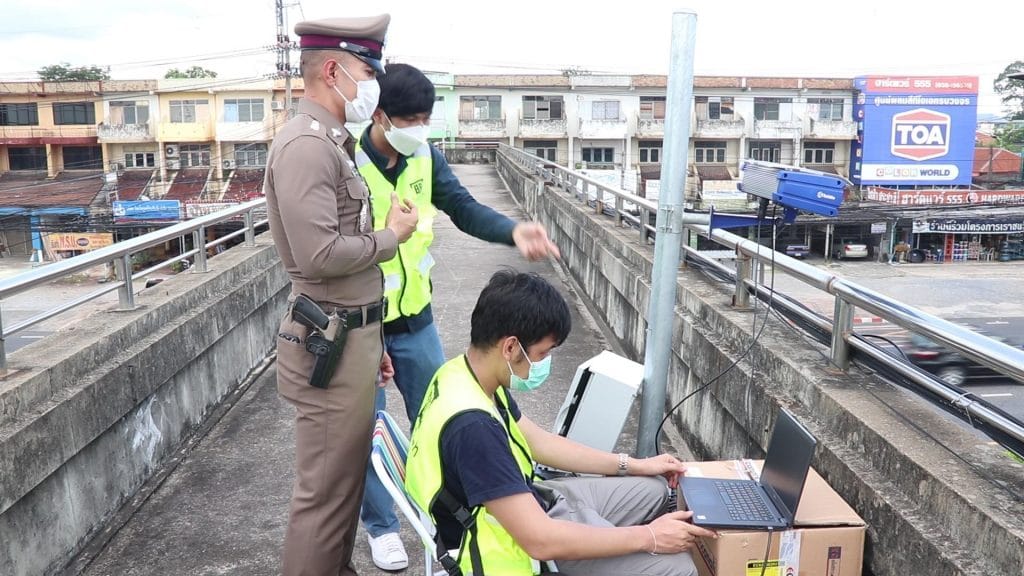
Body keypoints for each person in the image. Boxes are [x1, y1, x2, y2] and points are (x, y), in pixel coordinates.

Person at [353, 63, 560, 569]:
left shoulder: (425, 156)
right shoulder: (347, 163)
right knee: (367, 428)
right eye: (412, 119)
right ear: (380, 115)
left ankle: (466, 509)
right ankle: (382, 527)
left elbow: (464, 207)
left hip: (416, 318)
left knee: (453, 415)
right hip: (363, 324)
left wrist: (512, 232)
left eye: (427, 117)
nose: (421, 128)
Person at [405, 270, 715, 576]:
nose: (542, 364)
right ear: (510, 347)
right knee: (681, 567)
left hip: (535, 500)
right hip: (511, 542)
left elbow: (539, 443)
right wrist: (650, 537)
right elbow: (540, 540)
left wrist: (635, 464)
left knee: (655, 488)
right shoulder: (474, 428)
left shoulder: (461, 374)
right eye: (541, 353)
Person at [263, 14, 420, 576]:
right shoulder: (307, 146)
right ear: (333, 71)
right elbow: (318, 256)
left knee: (344, 486)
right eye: (367, 71)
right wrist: (391, 238)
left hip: (347, 338)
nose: (373, 84)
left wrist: (370, 338)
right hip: (327, 346)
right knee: (325, 500)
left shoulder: (331, 140)